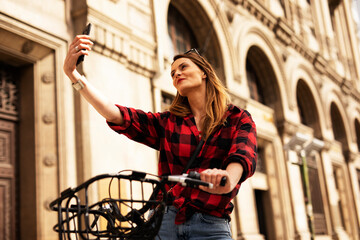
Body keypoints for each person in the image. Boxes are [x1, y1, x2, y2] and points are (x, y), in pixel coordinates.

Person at [63, 34, 257, 240]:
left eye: (183, 67)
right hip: (165, 220)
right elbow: (116, 114)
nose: (176, 74)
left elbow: (242, 156)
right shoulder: (169, 122)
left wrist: (226, 179)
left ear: (204, 73)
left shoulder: (237, 118)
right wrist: (73, 75)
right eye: (173, 73)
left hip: (211, 224)